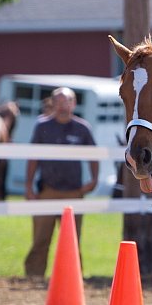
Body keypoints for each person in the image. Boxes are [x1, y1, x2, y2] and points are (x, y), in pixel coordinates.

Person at [24, 87, 99, 278]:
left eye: (66, 101)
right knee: (41, 239)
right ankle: (34, 277)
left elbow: (94, 156)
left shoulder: (82, 128)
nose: (62, 106)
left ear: (73, 104)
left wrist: (93, 181)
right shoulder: (42, 126)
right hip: (47, 190)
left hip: (74, 192)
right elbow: (32, 158)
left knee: (72, 240)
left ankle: (73, 279)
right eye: (58, 101)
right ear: (52, 104)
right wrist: (28, 186)